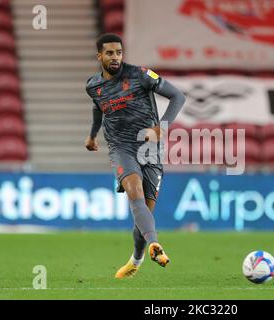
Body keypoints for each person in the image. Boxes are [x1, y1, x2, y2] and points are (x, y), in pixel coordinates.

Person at [84, 33, 186, 278]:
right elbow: (98, 108)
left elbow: (178, 96)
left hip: (149, 147)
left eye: (118, 52)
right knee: (134, 191)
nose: (115, 57)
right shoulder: (93, 86)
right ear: (99, 56)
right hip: (120, 147)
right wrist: (92, 135)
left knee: (144, 214)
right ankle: (155, 244)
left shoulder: (141, 75)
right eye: (109, 53)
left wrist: (162, 127)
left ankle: (137, 258)